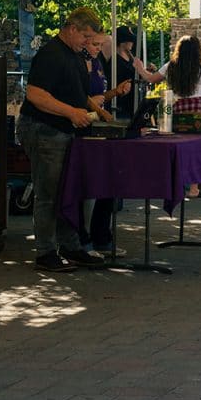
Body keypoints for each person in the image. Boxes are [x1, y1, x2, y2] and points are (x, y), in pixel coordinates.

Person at [17, 7, 106, 272]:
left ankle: (71, 246)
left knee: (68, 191)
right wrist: (71, 112)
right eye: (85, 36)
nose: (88, 42)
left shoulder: (74, 55)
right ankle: (45, 251)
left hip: (65, 131)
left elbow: (75, 91)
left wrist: (97, 109)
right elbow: (35, 94)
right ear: (72, 28)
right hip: (45, 130)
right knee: (48, 193)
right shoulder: (50, 55)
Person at [148, 35, 201, 199]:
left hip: (179, 111)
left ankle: (175, 185)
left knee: (180, 148)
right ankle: (194, 188)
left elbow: (150, 79)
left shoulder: (170, 67)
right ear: (197, 52)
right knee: (197, 150)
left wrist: (139, 67)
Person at [83, 32, 132, 255]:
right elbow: (80, 96)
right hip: (83, 129)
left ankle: (101, 236)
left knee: (109, 181)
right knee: (87, 186)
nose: (99, 48)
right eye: (97, 45)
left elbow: (99, 96)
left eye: (102, 45)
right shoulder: (80, 62)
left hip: (96, 127)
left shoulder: (98, 63)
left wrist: (114, 92)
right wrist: (99, 110)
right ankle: (83, 240)